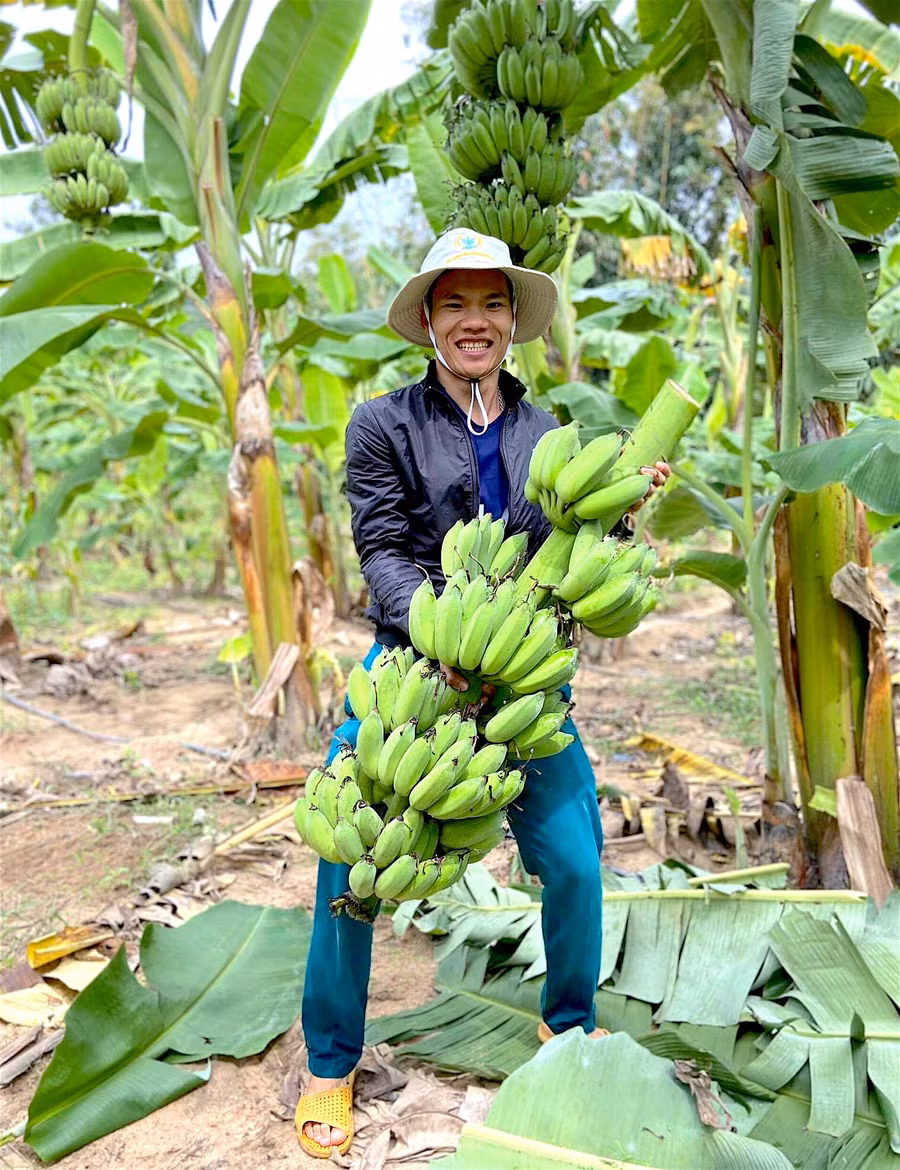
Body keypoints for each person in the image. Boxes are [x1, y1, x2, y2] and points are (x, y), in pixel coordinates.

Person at [295, 229, 669, 1158]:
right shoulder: (382, 424)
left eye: (492, 303)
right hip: (413, 667)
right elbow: (381, 547)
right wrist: (437, 635)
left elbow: (566, 549)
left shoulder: (548, 434)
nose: (475, 321)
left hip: (522, 673)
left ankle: (567, 1024)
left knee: (575, 861)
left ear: (512, 320)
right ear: (428, 319)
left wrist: (621, 509)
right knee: (351, 861)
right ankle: (330, 1062)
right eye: (455, 303)